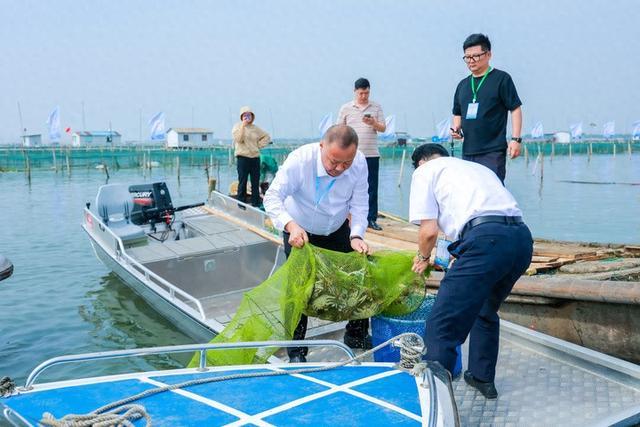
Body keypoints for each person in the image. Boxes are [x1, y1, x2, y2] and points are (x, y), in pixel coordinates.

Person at [409, 143, 533, 399]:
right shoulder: (475, 168)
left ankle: (436, 400)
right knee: (485, 309)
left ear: (421, 162)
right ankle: (481, 377)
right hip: (521, 239)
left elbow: (429, 231)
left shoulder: (424, 171)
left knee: (441, 325)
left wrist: (422, 258)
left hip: (486, 241)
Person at [264, 124, 371, 363]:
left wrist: (356, 235)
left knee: (360, 276)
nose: (340, 169)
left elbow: (361, 202)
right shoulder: (299, 161)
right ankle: (297, 352)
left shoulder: (360, 162)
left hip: (337, 227)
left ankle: (356, 334)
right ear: (321, 146)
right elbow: (272, 197)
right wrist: (290, 225)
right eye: (334, 161)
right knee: (298, 290)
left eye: (347, 163)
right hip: (300, 230)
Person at [450, 34, 523, 183]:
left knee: (493, 193)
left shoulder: (502, 79)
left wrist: (516, 139)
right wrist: (456, 128)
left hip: (493, 151)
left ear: (488, 54)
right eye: (467, 57)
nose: (471, 61)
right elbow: (457, 112)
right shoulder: (463, 85)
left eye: (476, 56)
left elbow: (515, 109)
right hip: (468, 151)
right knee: (472, 193)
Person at [338, 77, 386, 230]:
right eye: (361, 93)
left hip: (371, 153)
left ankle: (371, 218)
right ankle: (346, 216)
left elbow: (383, 128)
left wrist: (373, 123)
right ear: (355, 92)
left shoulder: (376, 107)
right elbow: (339, 130)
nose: (364, 96)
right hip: (351, 155)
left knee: (371, 187)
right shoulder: (346, 108)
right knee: (348, 184)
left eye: (366, 93)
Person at [232, 106, 271, 207]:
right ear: (241, 116)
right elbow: (238, 139)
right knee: (242, 181)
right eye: (245, 115)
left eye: (249, 115)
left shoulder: (255, 128)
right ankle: (241, 203)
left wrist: (259, 145)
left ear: (252, 116)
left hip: (254, 158)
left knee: (255, 181)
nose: (247, 117)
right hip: (242, 158)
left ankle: (255, 202)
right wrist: (243, 126)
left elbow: (266, 136)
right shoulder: (237, 126)